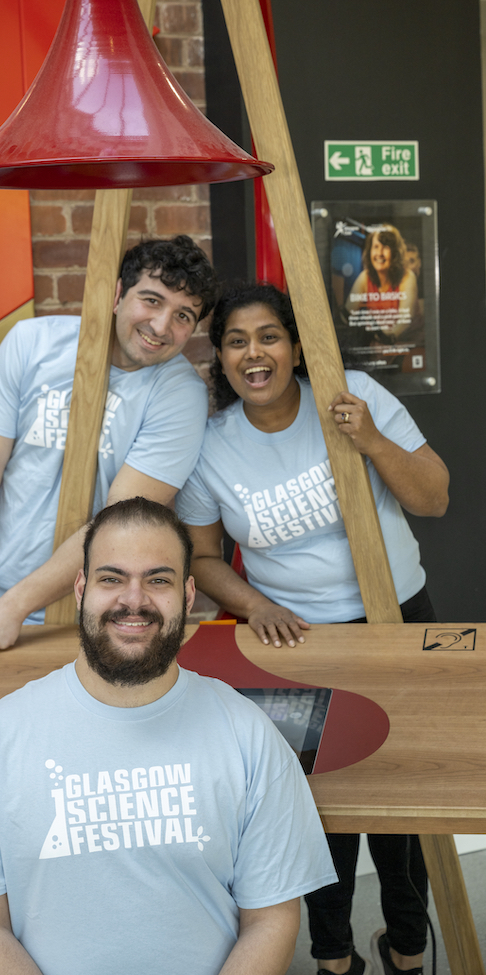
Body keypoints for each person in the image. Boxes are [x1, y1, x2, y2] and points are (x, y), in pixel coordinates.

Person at [0, 498, 337, 975]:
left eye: (157, 580)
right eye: (111, 578)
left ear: (187, 596)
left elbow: (271, 921)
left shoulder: (248, 735)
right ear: (81, 588)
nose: (133, 599)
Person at [175, 283, 449, 975]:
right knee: (318, 814)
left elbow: (433, 497)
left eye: (268, 335)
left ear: (295, 347)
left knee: (403, 805)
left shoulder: (350, 393)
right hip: (295, 644)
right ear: (222, 359)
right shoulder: (213, 446)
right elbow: (203, 558)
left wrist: (371, 437)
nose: (253, 353)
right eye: (236, 341)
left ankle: (409, 948)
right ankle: (334, 957)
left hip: (394, 621)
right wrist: (254, 603)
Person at [0, 235, 219, 654]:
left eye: (183, 316)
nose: (161, 327)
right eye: (151, 300)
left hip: (83, 616)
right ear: (118, 294)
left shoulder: (180, 395)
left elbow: (118, 521)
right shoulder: (31, 343)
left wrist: (14, 607)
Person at [345, 224, 420, 342]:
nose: (379, 253)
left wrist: (386, 338)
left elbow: (404, 322)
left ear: (395, 252)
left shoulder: (407, 277)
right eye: (375, 246)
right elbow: (347, 315)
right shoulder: (365, 277)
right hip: (378, 344)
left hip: (406, 344)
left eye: (385, 247)